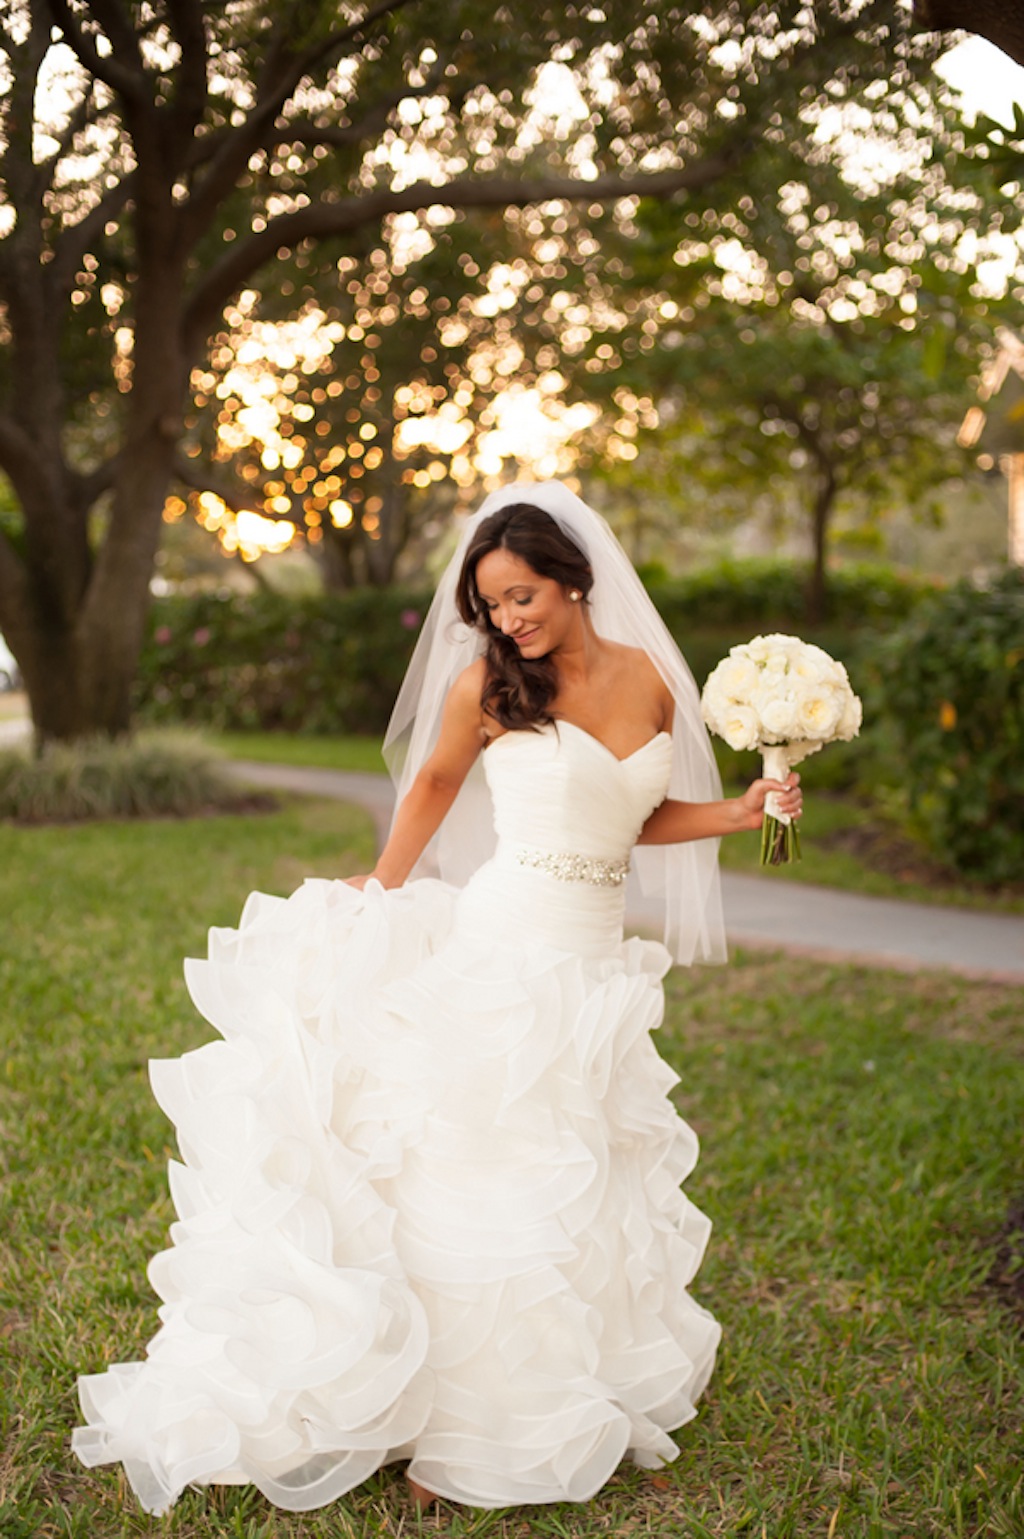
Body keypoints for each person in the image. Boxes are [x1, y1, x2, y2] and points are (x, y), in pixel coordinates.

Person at [72, 481, 801, 1517]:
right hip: (505, 948)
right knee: (488, 1181)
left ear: (575, 580)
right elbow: (428, 791)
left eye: (523, 596)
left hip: (593, 964)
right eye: (493, 605)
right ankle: (453, 1426)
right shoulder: (488, 688)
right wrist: (378, 892)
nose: (510, 621)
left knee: (574, 1182)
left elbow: (630, 817)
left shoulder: (650, 685)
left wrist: (740, 811)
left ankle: (553, 1388)